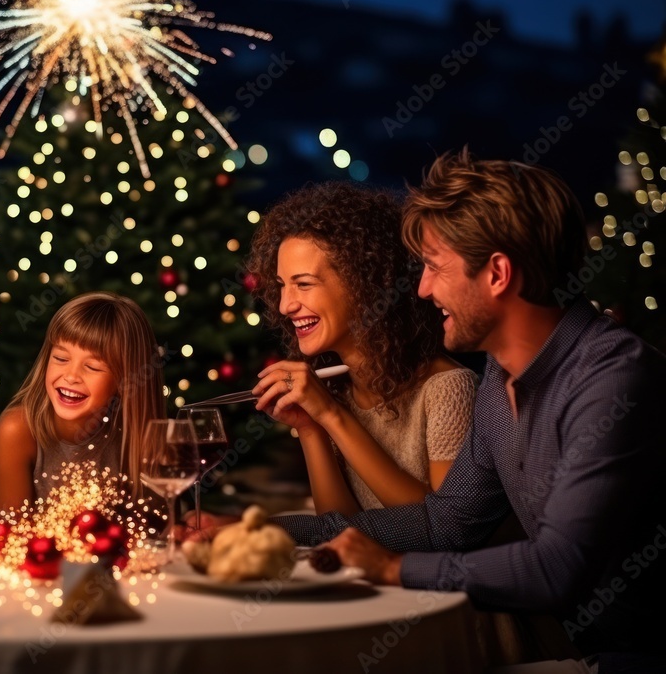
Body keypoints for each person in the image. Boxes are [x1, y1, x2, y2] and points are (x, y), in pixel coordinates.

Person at [273, 150, 666, 670]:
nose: (422, 289)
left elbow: (557, 568)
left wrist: (393, 570)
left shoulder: (612, 378)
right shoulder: (500, 380)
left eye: (435, 267)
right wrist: (277, 529)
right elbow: (447, 525)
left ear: (498, 273)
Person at [246, 182, 476, 515]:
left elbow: (440, 528)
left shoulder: (448, 389)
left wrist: (331, 415)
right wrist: (310, 428)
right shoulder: (336, 391)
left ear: (363, 285)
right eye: (282, 286)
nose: (285, 306)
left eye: (304, 284)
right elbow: (339, 527)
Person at [0, 291, 166, 511]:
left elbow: (158, 528)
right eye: (61, 358)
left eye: (92, 367)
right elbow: (11, 533)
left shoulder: (139, 434)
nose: (71, 376)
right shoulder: (17, 429)